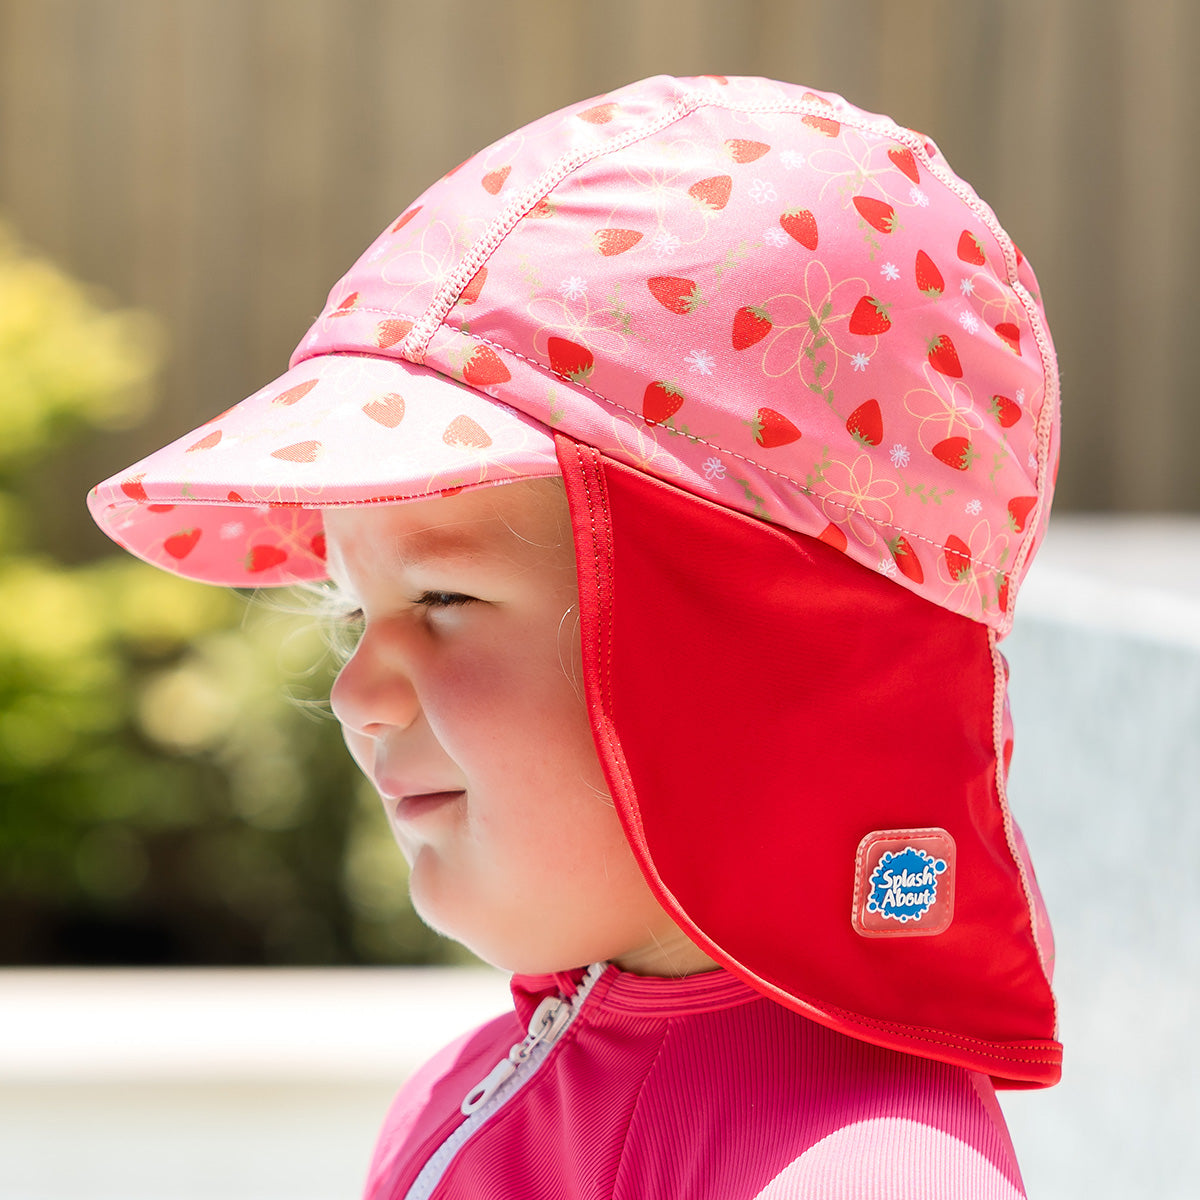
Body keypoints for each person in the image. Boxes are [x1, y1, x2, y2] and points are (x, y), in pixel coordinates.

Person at [89, 74, 1062, 1198]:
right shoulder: (468, 1089)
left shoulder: (871, 1177)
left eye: (444, 602)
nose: (357, 691)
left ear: (757, 657)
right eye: (360, 612)